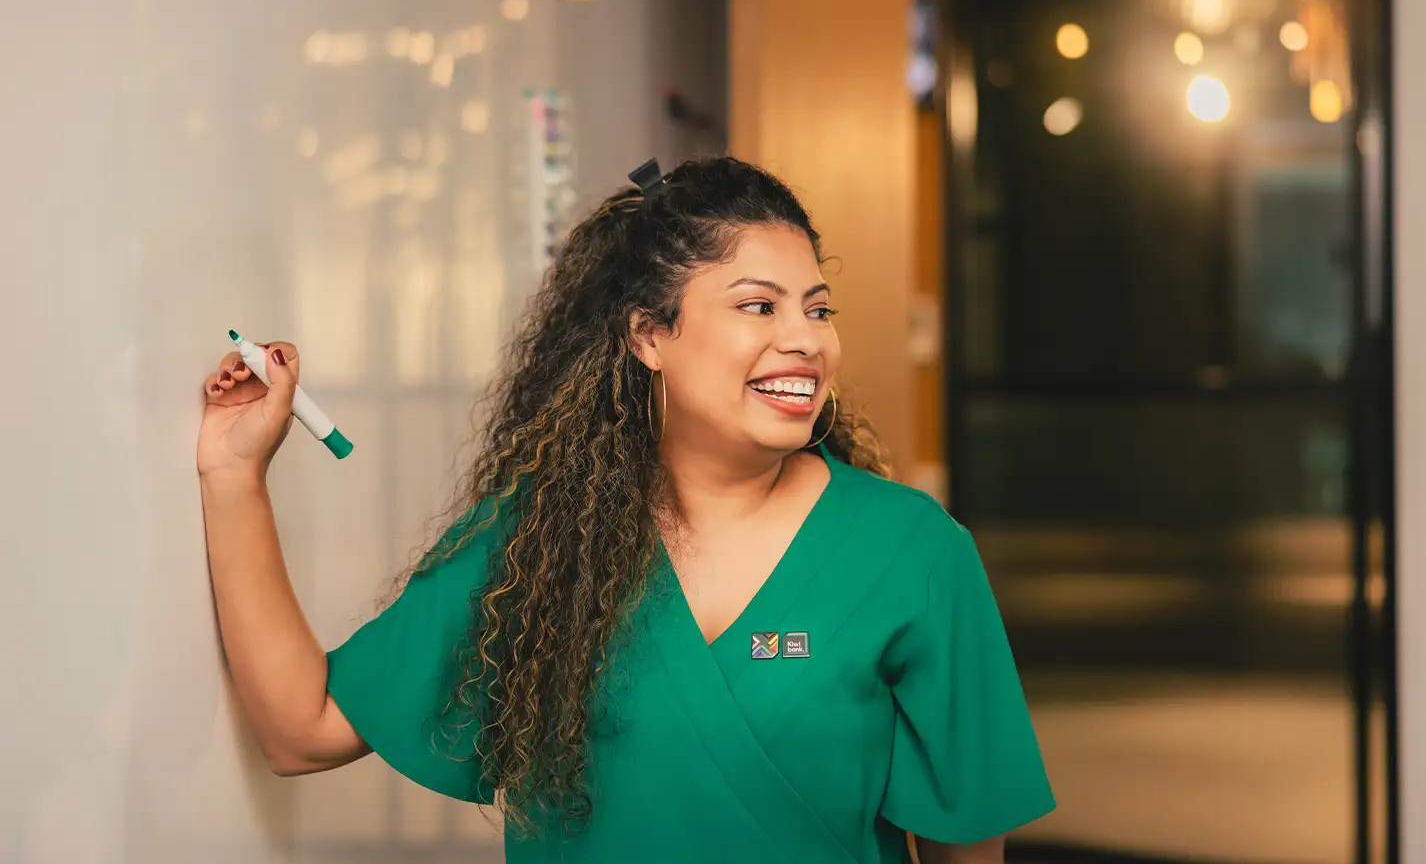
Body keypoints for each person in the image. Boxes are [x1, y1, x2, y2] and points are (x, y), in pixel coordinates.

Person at [196, 156, 1054, 864]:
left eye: (817, 308)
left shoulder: (913, 553)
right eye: (759, 305)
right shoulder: (544, 537)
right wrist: (235, 474)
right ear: (649, 336)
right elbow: (301, 729)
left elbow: (966, 848)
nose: (807, 339)